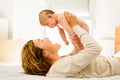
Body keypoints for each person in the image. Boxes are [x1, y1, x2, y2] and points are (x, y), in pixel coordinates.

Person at [21, 13, 120, 78]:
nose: (46, 38)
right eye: (41, 40)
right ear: (45, 53)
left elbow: (79, 55)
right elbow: (95, 49)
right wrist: (74, 25)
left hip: (113, 61)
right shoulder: (59, 67)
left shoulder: (60, 63)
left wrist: (75, 41)